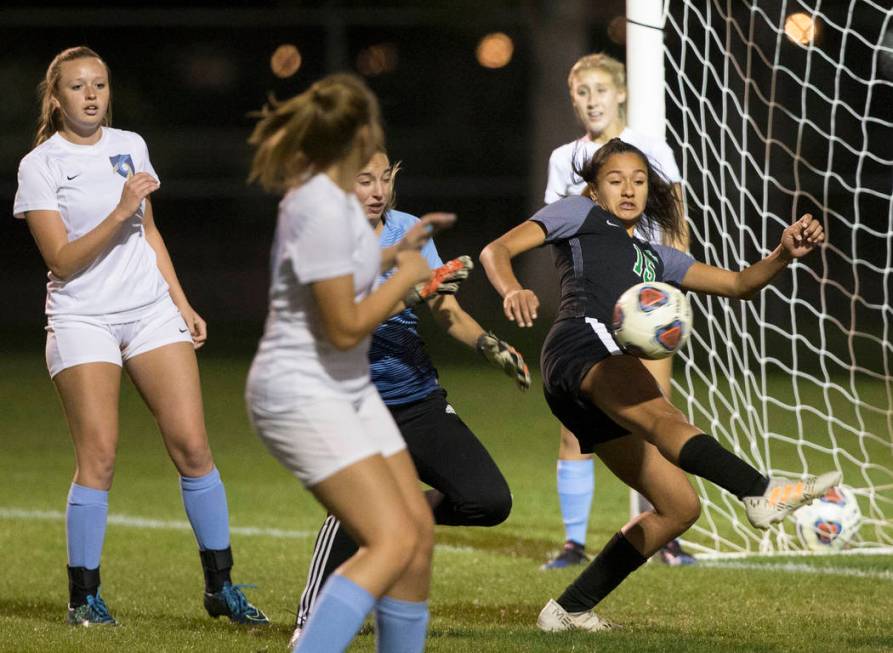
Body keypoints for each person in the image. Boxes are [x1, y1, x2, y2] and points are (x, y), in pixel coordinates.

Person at [479, 137, 841, 632]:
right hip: (581, 343)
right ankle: (760, 492)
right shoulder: (577, 214)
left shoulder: (655, 258)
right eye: (615, 180)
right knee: (664, 416)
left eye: (639, 181)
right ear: (594, 188)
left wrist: (782, 253)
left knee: (678, 506)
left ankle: (569, 609)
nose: (628, 189)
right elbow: (495, 250)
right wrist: (512, 287)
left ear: (651, 189)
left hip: (588, 373)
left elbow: (738, 285)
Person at [12, 46, 268, 627]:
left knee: (194, 448)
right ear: (56, 99)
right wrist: (120, 207)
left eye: (99, 84)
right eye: (77, 87)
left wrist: (181, 302)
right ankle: (85, 596)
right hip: (83, 317)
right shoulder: (41, 165)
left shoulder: (131, 144)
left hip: (149, 310)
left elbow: (149, 232)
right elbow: (62, 257)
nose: (91, 95)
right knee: (98, 456)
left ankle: (221, 587)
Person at [245, 74, 456, 653]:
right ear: (360, 133)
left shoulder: (335, 201)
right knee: (389, 542)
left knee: (415, 534)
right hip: (299, 392)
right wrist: (410, 279)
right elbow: (344, 325)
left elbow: (353, 268)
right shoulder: (318, 208)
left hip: (344, 385)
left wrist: (398, 254)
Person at [289, 149, 530, 646]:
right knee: (356, 504)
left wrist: (489, 345)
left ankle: (390, 512)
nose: (377, 191)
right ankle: (310, 625)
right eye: (363, 181)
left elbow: (444, 306)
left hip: (416, 395)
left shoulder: (408, 228)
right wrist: (409, 294)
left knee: (487, 500)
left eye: (383, 179)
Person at [541, 52, 693, 568]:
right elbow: (555, 230)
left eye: (600, 90)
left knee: (656, 413)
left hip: (647, 304)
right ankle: (572, 544)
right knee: (575, 425)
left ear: (620, 93)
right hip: (592, 302)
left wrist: (674, 294)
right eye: (582, 92)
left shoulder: (650, 148)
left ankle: (666, 532)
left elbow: (674, 219)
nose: (591, 101)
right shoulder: (565, 158)